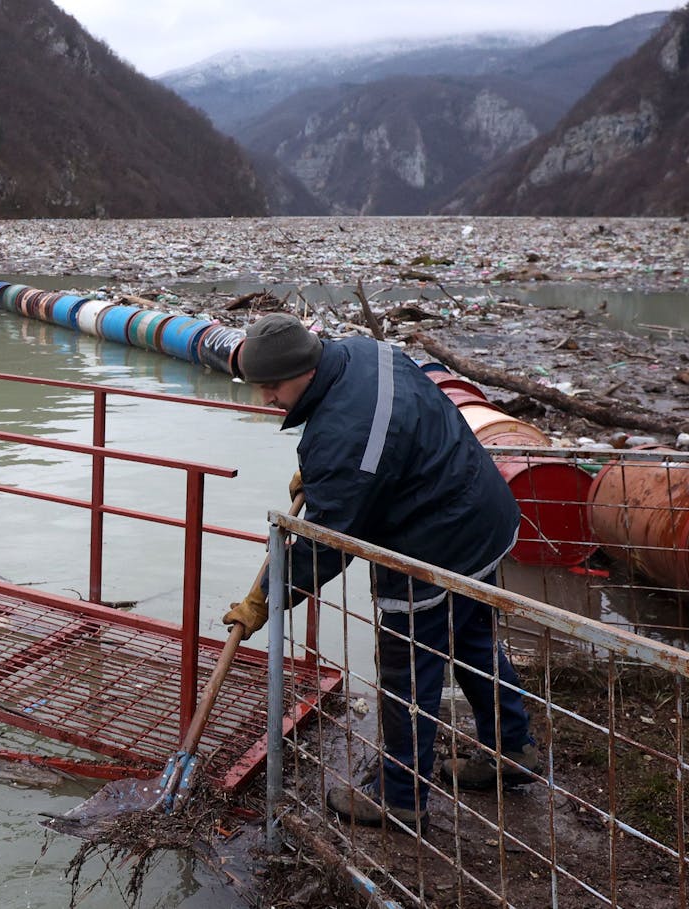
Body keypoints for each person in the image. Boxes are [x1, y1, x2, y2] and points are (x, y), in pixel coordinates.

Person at [222, 313, 538, 831]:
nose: (266, 400)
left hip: (433, 546)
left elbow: (327, 544)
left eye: (273, 387)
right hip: (483, 513)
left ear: (304, 368)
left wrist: (266, 597)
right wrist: (326, 472)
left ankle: (400, 797)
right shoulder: (365, 351)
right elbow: (391, 430)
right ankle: (511, 747)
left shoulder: (345, 439)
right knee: (474, 639)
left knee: (407, 671)